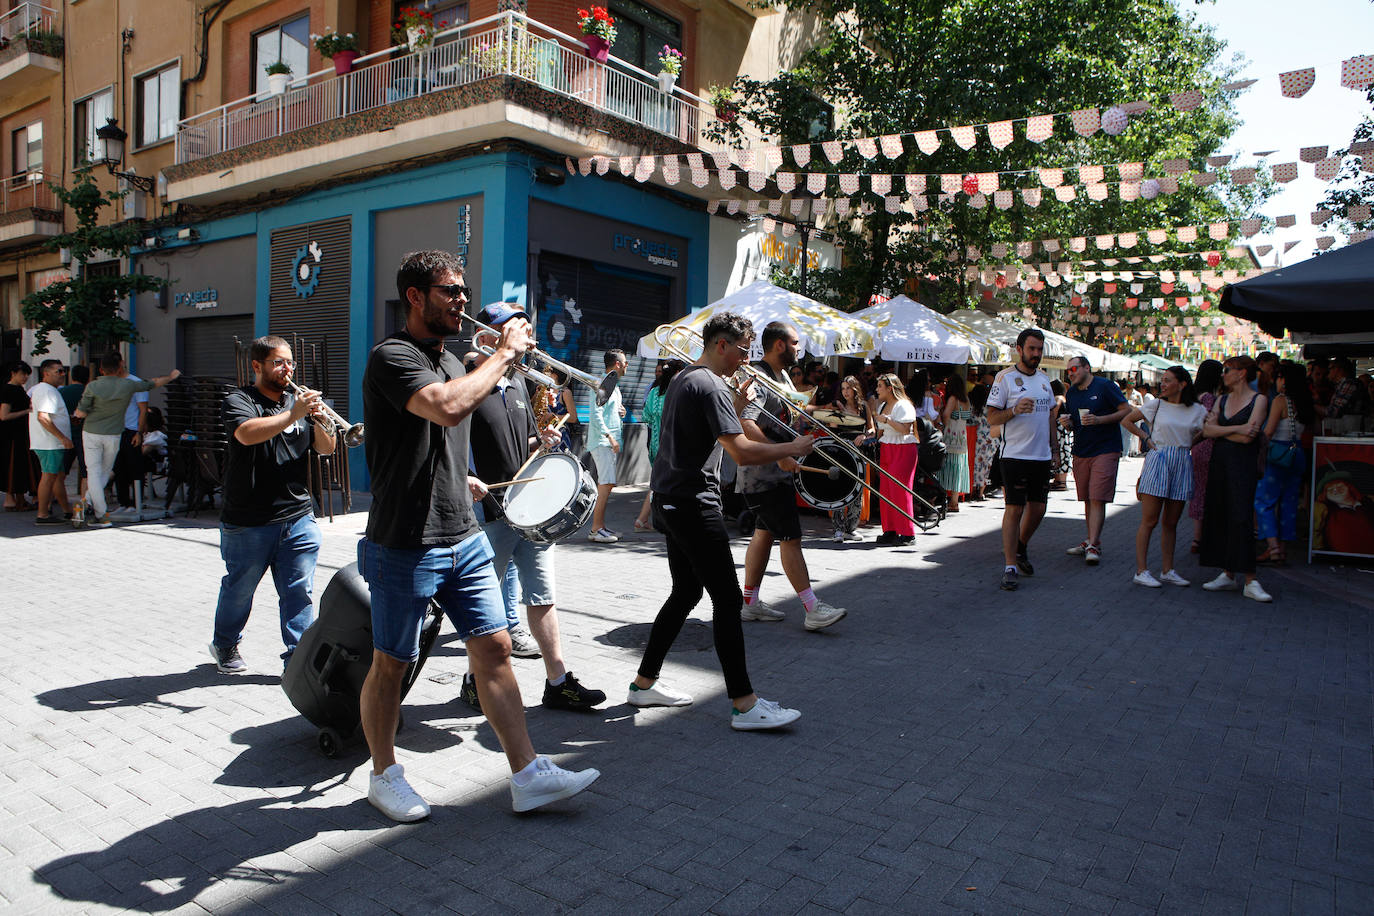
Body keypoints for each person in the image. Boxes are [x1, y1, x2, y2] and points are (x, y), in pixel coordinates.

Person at [358, 250, 598, 822]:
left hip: (463, 533)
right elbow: (444, 409)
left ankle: (527, 774)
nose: (462, 302)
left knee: (494, 649)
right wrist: (506, 354)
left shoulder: (448, 361)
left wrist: (460, 471)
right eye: (450, 292)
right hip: (405, 539)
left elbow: (443, 433)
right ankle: (383, 774)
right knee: (392, 662)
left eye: (464, 292)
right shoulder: (393, 355)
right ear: (415, 297)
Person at [629, 311, 814, 730]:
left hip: (670, 500)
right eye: (743, 352)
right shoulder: (710, 384)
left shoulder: (686, 378)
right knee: (728, 602)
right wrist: (794, 446)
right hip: (694, 504)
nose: (745, 362)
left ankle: (643, 685)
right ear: (721, 345)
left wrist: (737, 406)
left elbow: (707, 427)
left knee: (686, 593)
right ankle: (745, 705)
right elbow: (743, 452)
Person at [459, 301, 605, 712]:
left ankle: (558, 681)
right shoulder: (469, 382)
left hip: (528, 508)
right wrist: (463, 476)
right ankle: (473, 681)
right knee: (484, 601)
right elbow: (447, 444)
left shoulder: (520, 385)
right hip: (489, 512)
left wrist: (542, 443)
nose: (526, 339)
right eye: (515, 330)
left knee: (542, 596)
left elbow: (519, 446)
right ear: (488, 336)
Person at [208, 337, 335, 673]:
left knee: (299, 593)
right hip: (249, 519)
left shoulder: (298, 404)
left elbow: (326, 448)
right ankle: (224, 644)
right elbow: (247, 434)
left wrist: (320, 419)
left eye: (290, 363)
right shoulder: (240, 400)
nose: (287, 369)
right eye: (278, 363)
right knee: (240, 590)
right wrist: (293, 413)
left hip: (298, 517)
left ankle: (298, 658)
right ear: (257, 366)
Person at [737, 322, 847, 630]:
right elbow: (746, 423)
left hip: (770, 473)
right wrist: (782, 453)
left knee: (765, 533)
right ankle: (812, 608)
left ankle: (750, 602)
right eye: (795, 343)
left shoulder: (781, 377)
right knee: (791, 537)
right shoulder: (757, 378)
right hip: (764, 475)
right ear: (780, 345)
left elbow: (786, 413)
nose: (800, 348)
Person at [1122, 366, 1207, 587]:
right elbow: (1127, 421)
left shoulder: (1197, 410)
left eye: (1168, 380)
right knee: (1149, 520)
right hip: (1159, 458)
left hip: (1181, 459)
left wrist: (1189, 444)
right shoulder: (1156, 404)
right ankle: (1141, 570)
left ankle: (1167, 569)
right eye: (1164, 380)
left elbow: (1205, 431)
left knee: (1171, 522)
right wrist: (1146, 438)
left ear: (1182, 384)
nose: (1163, 384)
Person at [73, 354, 180, 528]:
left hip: (91, 432)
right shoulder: (128, 385)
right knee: (106, 472)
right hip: (114, 434)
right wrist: (171, 376)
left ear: (101, 369)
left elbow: (81, 413)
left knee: (93, 472)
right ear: (119, 368)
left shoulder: (92, 386)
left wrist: (78, 415)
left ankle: (95, 509)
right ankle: (93, 507)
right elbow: (152, 383)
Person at [986, 329, 1055, 591]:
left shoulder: (1045, 380)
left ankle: (1021, 546)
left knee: (1038, 509)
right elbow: (991, 419)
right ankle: (1010, 565)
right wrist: (1014, 410)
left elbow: (1049, 414)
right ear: (1019, 349)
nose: (1036, 354)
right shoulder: (1005, 378)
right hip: (1013, 455)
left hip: (1041, 455)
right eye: (1032, 349)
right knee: (1014, 508)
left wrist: (1055, 449)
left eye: (1039, 349)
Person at [1198, 356, 1271, 602]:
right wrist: (1237, 429)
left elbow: (1249, 438)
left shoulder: (1259, 399)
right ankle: (1228, 573)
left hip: (1242, 465)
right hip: (1220, 464)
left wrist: (1223, 432)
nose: (1223, 374)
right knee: (1221, 515)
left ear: (1241, 373)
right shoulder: (1222, 399)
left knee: (1241, 518)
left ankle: (1250, 578)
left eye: (1227, 370)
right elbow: (1207, 431)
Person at [1060, 355, 1129, 564]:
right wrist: (1067, 422)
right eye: (1068, 370)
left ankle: (1093, 545)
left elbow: (1127, 410)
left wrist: (1100, 420)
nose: (1071, 373)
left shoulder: (1105, 386)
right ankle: (1091, 540)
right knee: (1088, 499)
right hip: (1082, 449)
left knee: (1098, 497)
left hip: (1106, 448)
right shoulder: (1071, 393)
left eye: (1074, 369)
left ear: (1087, 368)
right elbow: (1075, 422)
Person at [1254, 362, 1314, 565]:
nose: (1276, 381)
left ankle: (1273, 548)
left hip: (1278, 454)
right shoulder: (1305, 401)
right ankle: (1284, 549)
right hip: (1297, 454)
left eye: (1279, 377)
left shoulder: (1281, 400)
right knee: (1289, 503)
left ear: (1285, 379)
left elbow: (1269, 431)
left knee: (1264, 500)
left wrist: (1258, 448)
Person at [870, 372, 919, 546]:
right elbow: (881, 431)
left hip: (903, 448)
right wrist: (870, 433)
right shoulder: (883, 405)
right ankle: (890, 530)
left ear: (890, 388)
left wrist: (887, 420)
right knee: (887, 491)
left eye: (880, 387)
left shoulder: (903, 405)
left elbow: (906, 429)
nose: (877, 390)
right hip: (887, 447)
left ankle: (907, 533)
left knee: (900, 489)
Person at [634, 359, 683, 532]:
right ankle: (660, 519)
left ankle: (643, 519)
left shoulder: (654, 392)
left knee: (658, 482)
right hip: (673, 446)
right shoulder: (678, 392)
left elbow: (645, 417)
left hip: (655, 445)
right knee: (665, 484)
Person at [586, 349, 627, 543]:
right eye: (625, 362)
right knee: (605, 484)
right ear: (617, 364)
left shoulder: (614, 385)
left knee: (607, 484)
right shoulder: (603, 384)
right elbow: (595, 415)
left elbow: (606, 412)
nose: (627, 366)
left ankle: (600, 526)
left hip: (608, 442)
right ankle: (595, 529)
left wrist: (620, 412)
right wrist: (610, 437)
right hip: (603, 442)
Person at [27, 359, 75, 525]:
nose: (62, 375)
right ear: (46, 373)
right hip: (49, 443)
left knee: (57, 476)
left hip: (51, 442)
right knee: (49, 476)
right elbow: (43, 417)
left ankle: (67, 510)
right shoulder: (46, 390)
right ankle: (42, 514)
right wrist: (62, 437)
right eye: (58, 371)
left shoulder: (48, 390)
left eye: (64, 371)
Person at [827, 374, 873, 539]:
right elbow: (833, 430)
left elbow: (872, 429)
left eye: (848, 388)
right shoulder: (838, 408)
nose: (845, 392)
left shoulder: (864, 406)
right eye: (843, 389)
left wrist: (865, 436)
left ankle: (850, 527)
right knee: (841, 489)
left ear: (855, 389)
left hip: (859, 452)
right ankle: (838, 528)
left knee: (857, 490)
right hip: (842, 450)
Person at [1187, 359, 1223, 554]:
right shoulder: (1210, 398)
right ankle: (1206, 537)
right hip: (1208, 445)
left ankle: (1196, 538)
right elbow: (1209, 425)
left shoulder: (1192, 396)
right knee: (1210, 491)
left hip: (1195, 449)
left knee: (1198, 491)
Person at [2, 361, 37, 511]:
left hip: (16, 434)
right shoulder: (10, 390)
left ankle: (14, 499)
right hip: (13, 435)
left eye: (27, 374)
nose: (26, 377)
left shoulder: (16, 389)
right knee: (15, 465)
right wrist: (26, 412)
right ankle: (15, 500)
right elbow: (4, 415)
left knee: (16, 466)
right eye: (23, 374)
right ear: (13, 373)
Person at [936, 373, 971, 512]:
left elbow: (946, 416)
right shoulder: (966, 400)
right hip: (962, 437)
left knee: (948, 467)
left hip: (951, 436)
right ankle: (954, 501)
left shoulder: (953, 399)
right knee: (959, 468)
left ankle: (946, 500)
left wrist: (943, 424)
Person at [60, 364, 89, 522]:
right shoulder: (88, 392)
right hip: (85, 434)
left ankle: (57, 502)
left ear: (72, 376)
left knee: (61, 472)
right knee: (86, 471)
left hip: (65, 434)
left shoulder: (62, 392)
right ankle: (84, 503)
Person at [969, 384, 997, 502]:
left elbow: (970, 421)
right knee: (986, 465)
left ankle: (973, 488)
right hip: (991, 439)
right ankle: (981, 492)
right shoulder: (990, 407)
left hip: (977, 437)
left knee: (975, 463)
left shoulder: (972, 408)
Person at [1048, 379, 1071, 491]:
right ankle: (1059, 480)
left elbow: (1053, 412)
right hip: (1063, 429)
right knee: (1064, 452)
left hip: (1058, 429)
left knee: (1061, 452)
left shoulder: (1058, 398)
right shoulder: (1064, 398)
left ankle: (1061, 481)